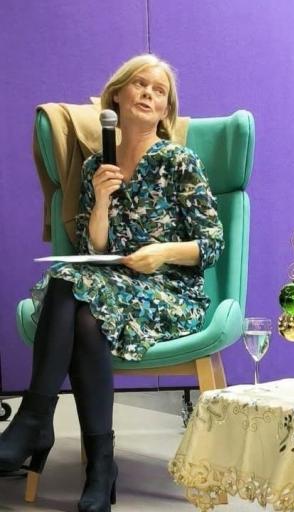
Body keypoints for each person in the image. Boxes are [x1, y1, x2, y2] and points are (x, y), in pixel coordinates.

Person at [0, 54, 224, 512]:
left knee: (74, 293)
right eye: (138, 85)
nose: (147, 93)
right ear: (116, 97)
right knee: (80, 302)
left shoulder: (178, 161)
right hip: (111, 287)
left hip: (168, 292)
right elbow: (96, 247)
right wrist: (100, 198)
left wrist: (161, 252)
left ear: (165, 109)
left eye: (157, 90)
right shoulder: (94, 167)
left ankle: (37, 420)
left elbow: (212, 244)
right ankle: (99, 465)